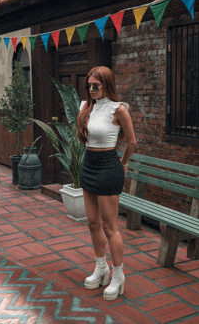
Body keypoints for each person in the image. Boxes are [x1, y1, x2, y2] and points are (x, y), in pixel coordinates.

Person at [77, 66, 137, 301]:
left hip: (108, 167)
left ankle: (118, 275)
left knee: (110, 227)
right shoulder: (85, 107)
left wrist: (122, 165)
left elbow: (131, 142)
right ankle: (101, 268)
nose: (91, 90)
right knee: (93, 223)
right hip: (88, 165)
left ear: (107, 85)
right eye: (89, 86)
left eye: (96, 86)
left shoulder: (118, 109)